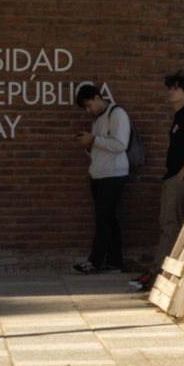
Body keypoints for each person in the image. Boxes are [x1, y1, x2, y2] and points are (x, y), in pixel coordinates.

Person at [149, 71, 184, 284]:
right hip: (174, 177)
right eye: (169, 89)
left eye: (175, 89)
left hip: (180, 179)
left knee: (170, 225)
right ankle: (160, 269)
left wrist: (181, 175)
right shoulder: (179, 116)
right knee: (167, 223)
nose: (170, 93)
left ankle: (160, 272)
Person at [72, 84, 132, 277]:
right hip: (99, 175)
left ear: (98, 97)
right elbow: (98, 147)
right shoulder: (97, 120)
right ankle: (115, 262)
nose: (88, 111)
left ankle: (94, 262)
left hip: (113, 175)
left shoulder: (117, 114)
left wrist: (94, 140)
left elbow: (121, 144)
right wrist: (88, 145)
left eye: (89, 105)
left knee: (103, 220)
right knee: (109, 219)